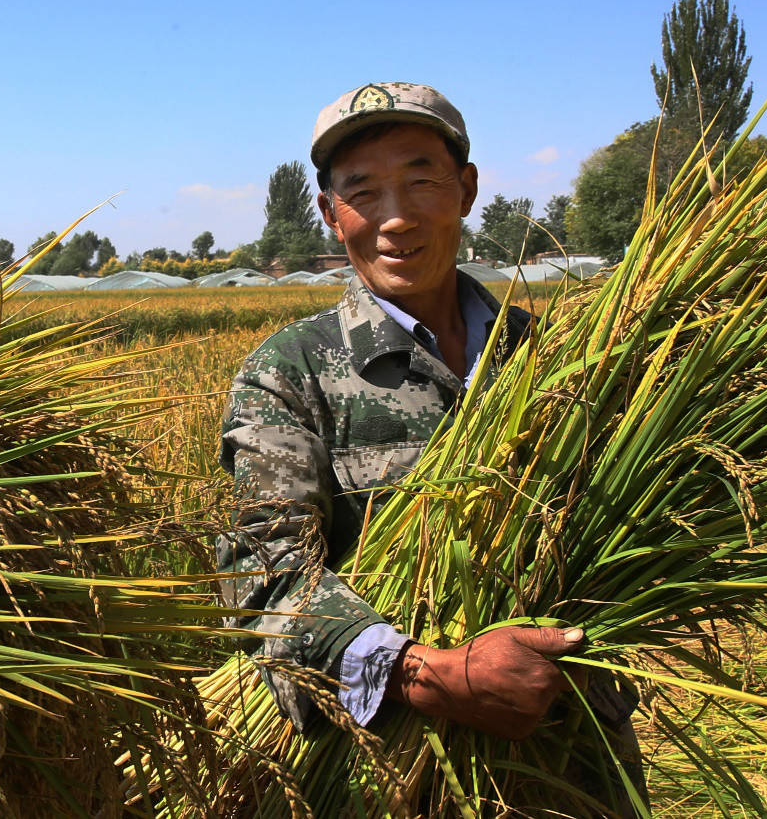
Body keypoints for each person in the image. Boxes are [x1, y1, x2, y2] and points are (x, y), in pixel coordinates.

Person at [217, 82, 644, 808]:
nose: (395, 218)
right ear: (329, 213)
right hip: (393, 773)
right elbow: (264, 578)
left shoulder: (558, 359)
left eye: (421, 179)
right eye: (362, 192)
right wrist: (425, 672)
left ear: (467, 189)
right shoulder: (290, 372)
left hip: (575, 758)